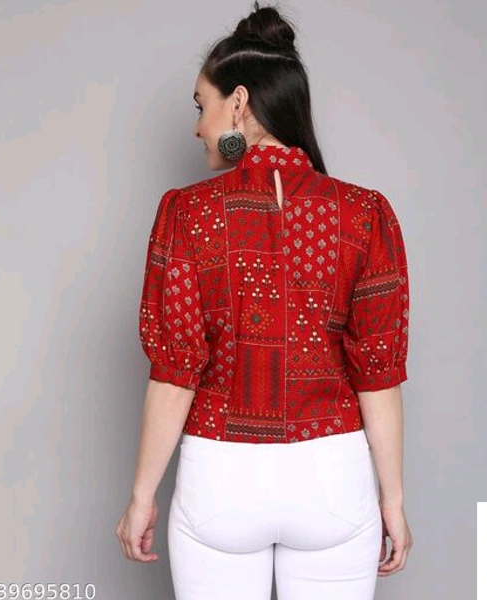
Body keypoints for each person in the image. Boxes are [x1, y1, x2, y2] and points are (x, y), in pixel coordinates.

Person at [116, 2, 414, 598]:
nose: (197, 126)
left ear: (239, 102)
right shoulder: (364, 214)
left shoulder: (188, 214)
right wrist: (394, 501)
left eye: (201, 106)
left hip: (221, 482)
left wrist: (142, 496)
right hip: (333, 483)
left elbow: (176, 373)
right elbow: (377, 374)